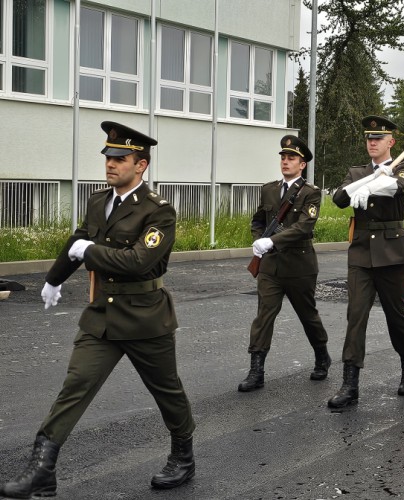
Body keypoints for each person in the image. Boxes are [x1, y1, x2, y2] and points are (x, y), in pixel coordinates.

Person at [1, 122, 196, 498]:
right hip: (102, 314)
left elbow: (138, 260)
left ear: (141, 165)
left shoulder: (159, 212)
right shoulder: (97, 201)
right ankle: (42, 469)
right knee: (75, 386)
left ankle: (183, 456)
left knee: (167, 392)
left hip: (145, 316)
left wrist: (89, 252)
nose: (111, 164)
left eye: (120, 159)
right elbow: (79, 240)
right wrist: (55, 278)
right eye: (108, 157)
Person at [328, 115, 404, 409]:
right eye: (368, 138)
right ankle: (349, 383)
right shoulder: (356, 172)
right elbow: (340, 199)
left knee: (397, 316)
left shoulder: (402, 167)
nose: (372, 143)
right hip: (362, 253)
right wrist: (361, 184)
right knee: (356, 316)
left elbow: (401, 188)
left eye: (378, 139)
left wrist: (376, 185)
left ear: (391, 142)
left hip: (391, 253)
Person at [239, 136, 331, 392]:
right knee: (264, 316)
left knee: (307, 315)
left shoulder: (310, 193)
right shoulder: (268, 189)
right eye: (283, 157)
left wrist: (273, 241)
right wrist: (258, 240)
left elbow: (304, 226)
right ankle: (256, 371)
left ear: (302, 164)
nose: (285, 162)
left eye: (291, 158)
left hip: (299, 265)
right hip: (270, 266)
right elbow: (258, 220)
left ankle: (322, 356)